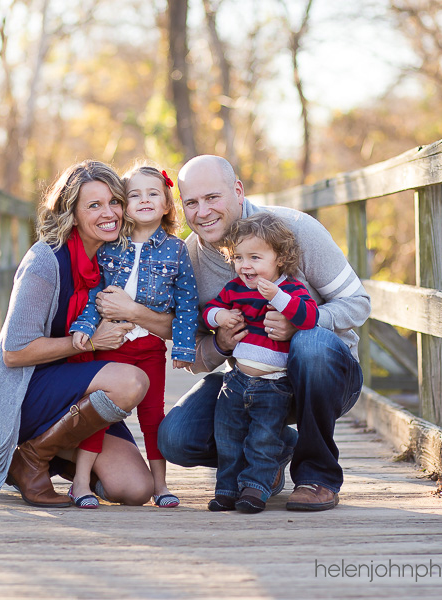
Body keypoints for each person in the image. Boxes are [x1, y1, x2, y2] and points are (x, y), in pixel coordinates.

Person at [157, 154, 370, 512]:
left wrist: (304, 321)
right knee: (176, 439)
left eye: (213, 198)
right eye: (191, 202)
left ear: (237, 191)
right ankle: (271, 453)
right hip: (248, 386)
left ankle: (317, 476)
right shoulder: (187, 260)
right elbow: (192, 352)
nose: (203, 211)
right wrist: (221, 342)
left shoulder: (294, 230)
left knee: (311, 342)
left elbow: (358, 303)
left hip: (320, 377)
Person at [0, 160, 155, 508]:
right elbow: (14, 353)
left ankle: (47, 454)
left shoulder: (118, 262)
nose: (108, 212)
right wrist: (92, 342)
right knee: (131, 382)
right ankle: (33, 456)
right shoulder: (45, 261)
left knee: (135, 489)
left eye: (114, 201)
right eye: (93, 205)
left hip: (80, 389)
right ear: (73, 214)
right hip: (27, 389)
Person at [69, 163, 198, 509]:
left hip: (150, 348)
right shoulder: (112, 248)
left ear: (168, 204)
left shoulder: (176, 250)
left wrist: (184, 346)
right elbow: (97, 293)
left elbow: (187, 303)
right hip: (113, 344)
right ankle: (79, 483)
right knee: (101, 411)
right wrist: (83, 327)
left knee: (153, 415)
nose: (144, 200)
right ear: (124, 204)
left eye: (153, 193)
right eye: (135, 194)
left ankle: (160, 486)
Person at [202, 212, 319, 513]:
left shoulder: (291, 289)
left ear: (279, 258)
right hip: (237, 380)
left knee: (263, 440)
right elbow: (210, 311)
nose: (245, 265)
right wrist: (221, 317)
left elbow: (309, 318)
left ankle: (255, 489)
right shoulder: (235, 289)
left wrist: (278, 297)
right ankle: (227, 489)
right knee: (227, 436)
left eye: (255, 257)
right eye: (238, 258)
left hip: (274, 385)